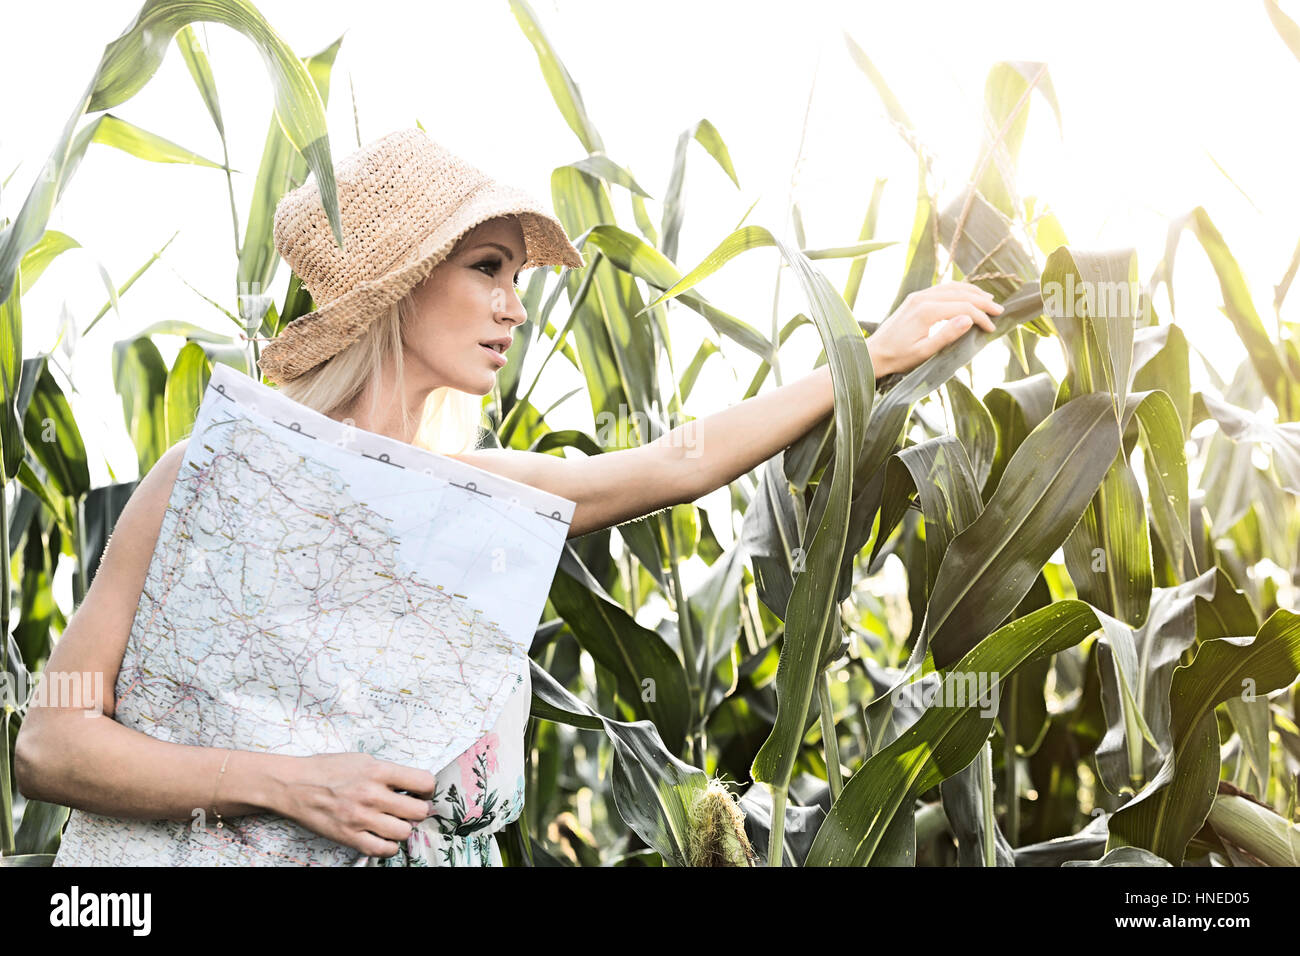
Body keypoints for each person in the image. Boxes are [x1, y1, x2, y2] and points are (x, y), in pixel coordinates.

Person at [15, 128, 1001, 866]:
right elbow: (52, 739)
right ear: (399, 283)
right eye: (487, 267)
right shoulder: (210, 472)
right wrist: (294, 784)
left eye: (517, 276)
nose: (514, 306)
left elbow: (675, 462)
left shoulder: (469, 494)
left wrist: (865, 352)